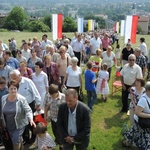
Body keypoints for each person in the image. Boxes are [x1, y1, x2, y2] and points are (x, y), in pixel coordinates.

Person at [1, 80, 36, 150]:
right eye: (11, 89)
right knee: (12, 141)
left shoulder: (21, 99)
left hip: (19, 125)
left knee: (16, 141)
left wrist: (31, 119)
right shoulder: (3, 99)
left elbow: (28, 110)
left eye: (15, 89)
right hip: (8, 125)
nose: (13, 90)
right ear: (8, 89)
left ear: (17, 89)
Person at [9, 69, 41, 144]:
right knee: (22, 123)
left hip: (29, 105)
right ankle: (25, 138)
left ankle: (34, 136)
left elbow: (35, 93)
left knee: (31, 122)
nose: (13, 80)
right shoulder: (11, 84)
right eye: (11, 78)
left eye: (14, 78)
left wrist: (38, 103)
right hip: (18, 106)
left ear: (19, 76)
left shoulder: (28, 82)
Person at [123, 81, 150, 149]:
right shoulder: (143, 100)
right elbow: (137, 113)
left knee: (133, 133)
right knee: (144, 140)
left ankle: (127, 142)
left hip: (144, 123)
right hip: (141, 122)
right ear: (148, 90)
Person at [44, 84, 65, 149]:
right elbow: (46, 106)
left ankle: (62, 145)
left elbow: (66, 108)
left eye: (53, 95)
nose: (52, 97)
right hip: (53, 118)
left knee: (60, 134)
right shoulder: (48, 96)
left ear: (57, 92)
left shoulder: (63, 97)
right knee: (55, 131)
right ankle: (59, 141)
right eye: (51, 95)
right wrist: (45, 115)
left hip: (61, 120)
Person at [0, 77, 8, 146]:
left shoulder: (7, 90)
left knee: (6, 125)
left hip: (6, 110)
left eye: (4, 85)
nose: (3, 87)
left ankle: (6, 137)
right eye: (1, 85)